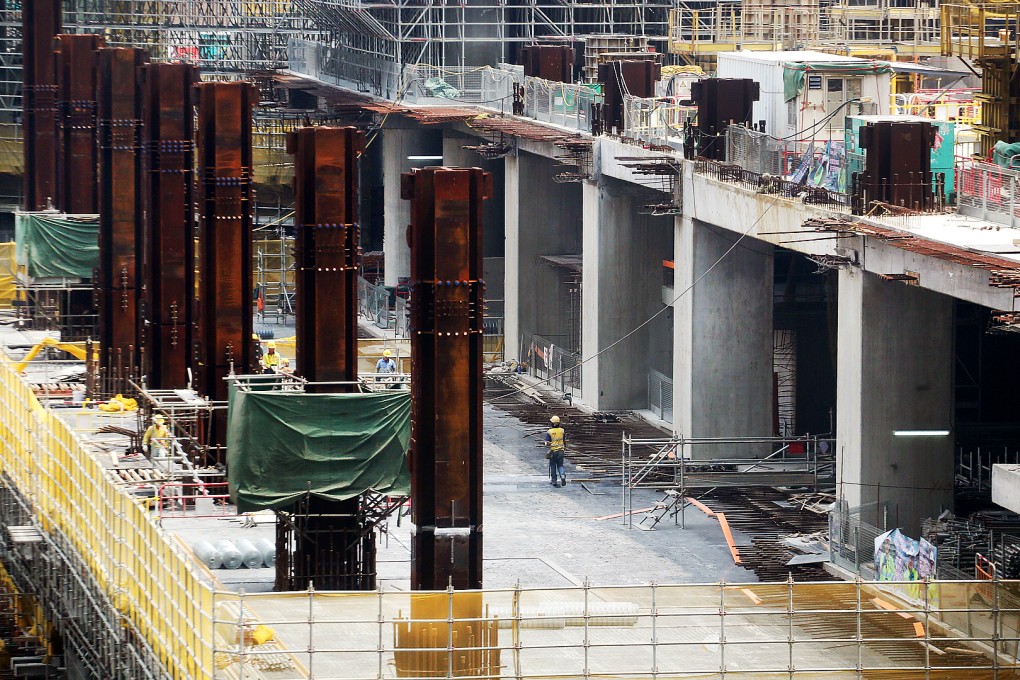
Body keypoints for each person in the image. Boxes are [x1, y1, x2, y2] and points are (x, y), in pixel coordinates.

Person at [544, 415, 566, 487]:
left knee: (553, 466)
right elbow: (564, 440)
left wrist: (547, 443)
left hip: (553, 452)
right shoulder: (562, 431)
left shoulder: (549, 432)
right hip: (561, 451)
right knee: (560, 465)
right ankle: (562, 476)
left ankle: (554, 481)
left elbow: (547, 443)